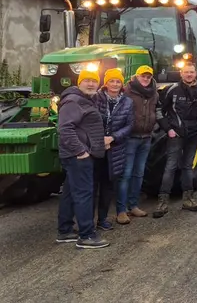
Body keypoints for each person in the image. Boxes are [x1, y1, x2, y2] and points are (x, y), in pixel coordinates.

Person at [56, 69, 108, 249]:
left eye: (94, 81)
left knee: (70, 192)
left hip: (79, 154)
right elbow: (65, 129)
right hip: (77, 156)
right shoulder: (73, 101)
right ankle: (87, 235)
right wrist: (81, 151)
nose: (91, 84)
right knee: (84, 193)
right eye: (87, 80)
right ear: (79, 83)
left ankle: (65, 231)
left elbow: (83, 127)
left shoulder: (86, 100)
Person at [153, 62, 197, 218]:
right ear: (181, 74)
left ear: (196, 74)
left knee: (187, 166)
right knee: (170, 166)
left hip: (194, 134)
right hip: (176, 134)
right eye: (186, 72)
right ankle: (163, 202)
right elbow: (159, 111)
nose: (189, 75)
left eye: (191, 72)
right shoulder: (172, 90)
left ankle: (188, 199)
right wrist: (168, 129)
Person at [117, 65, 162, 224]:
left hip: (146, 138)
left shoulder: (154, 94)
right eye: (143, 76)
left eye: (149, 77)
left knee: (139, 173)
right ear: (136, 77)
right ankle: (121, 210)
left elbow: (156, 111)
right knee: (126, 174)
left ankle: (133, 205)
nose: (146, 79)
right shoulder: (127, 92)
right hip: (130, 138)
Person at [92, 68, 134, 231]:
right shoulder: (96, 98)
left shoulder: (127, 102)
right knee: (92, 185)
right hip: (96, 147)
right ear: (106, 83)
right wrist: (101, 138)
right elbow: (91, 120)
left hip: (115, 148)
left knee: (108, 185)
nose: (115, 84)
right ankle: (88, 221)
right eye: (111, 81)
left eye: (118, 81)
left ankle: (102, 219)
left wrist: (113, 138)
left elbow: (129, 125)